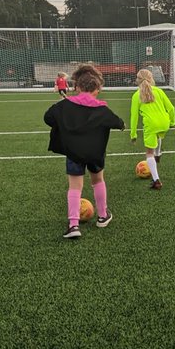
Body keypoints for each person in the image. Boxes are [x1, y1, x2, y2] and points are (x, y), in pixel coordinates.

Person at [44, 63, 125, 239]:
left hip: (74, 153)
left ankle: (73, 225)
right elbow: (119, 123)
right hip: (95, 153)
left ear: (76, 87)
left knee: (74, 186)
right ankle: (103, 216)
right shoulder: (102, 109)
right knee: (98, 180)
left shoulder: (64, 106)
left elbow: (48, 118)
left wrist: (64, 122)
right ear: (98, 88)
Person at [129, 68, 175, 190]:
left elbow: (134, 117)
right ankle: (158, 153)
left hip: (151, 124)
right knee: (158, 134)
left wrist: (133, 135)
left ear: (138, 80)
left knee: (149, 153)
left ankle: (156, 181)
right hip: (164, 122)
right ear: (151, 79)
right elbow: (171, 108)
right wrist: (172, 122)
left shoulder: (136, 96)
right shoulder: (159, 91)